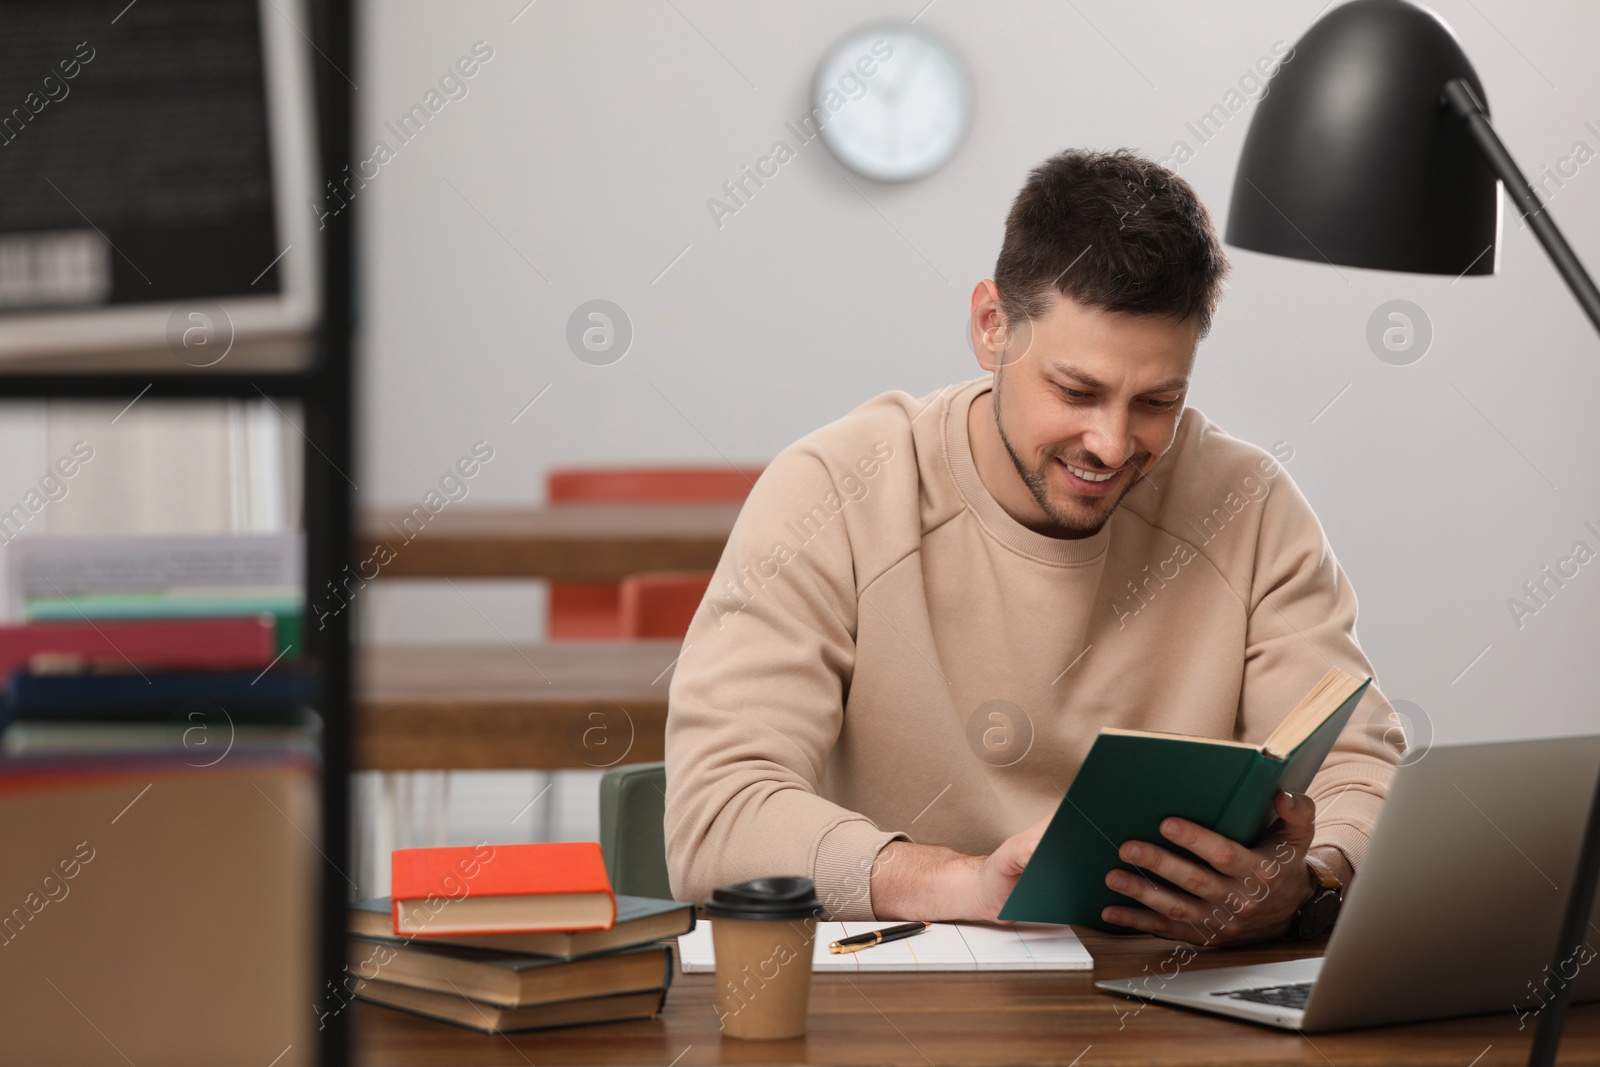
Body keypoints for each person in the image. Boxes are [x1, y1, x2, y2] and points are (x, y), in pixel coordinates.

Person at [662, 147, 1403, 947]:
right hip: (908, 1008)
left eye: (1159, 401)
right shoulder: (834, 491)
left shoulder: (1250, 506)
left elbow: (1364, 775)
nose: (1113, 443)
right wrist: (960, 882)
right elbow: (717, 818)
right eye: (1076, 391)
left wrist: (1310, 880)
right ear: (992, 327)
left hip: (1170, 1006)